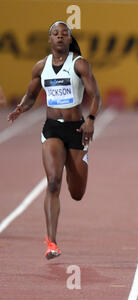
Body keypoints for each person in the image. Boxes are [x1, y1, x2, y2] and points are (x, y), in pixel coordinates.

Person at [7, 21, 101, 259]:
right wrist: (20, 108)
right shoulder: (41, 67)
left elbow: (95, 96)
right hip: (51, 129)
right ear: (49, 40)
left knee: (77, 193)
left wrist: (90, 119)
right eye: (55, 34)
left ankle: (75, 164)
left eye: (64, 34)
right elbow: (31, 95)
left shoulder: (79, 64)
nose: (60, 37)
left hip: (76, 130)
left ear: (69, 40)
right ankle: (52, 242)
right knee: (52, 183)